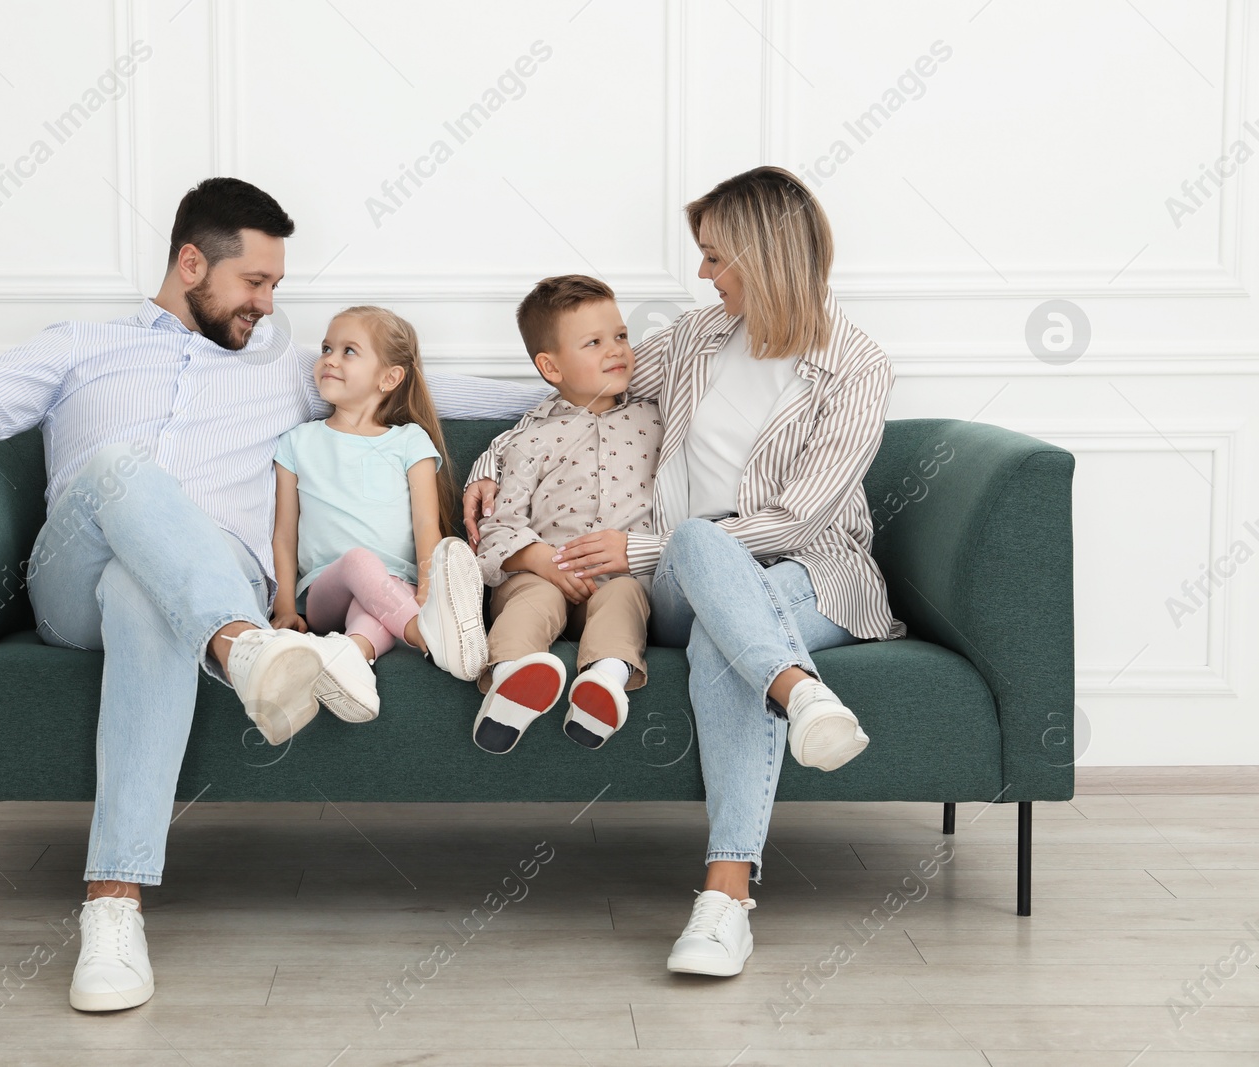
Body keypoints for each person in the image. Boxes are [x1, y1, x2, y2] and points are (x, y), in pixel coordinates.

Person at [0, 177, 548, 1012]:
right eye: (254, 282)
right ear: (191, 262)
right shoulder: (81, 345)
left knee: (145, 596)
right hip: (71, 588)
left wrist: (569, 401)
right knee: (121, 471)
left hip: (202, 581)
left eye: (276, 285)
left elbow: (426, 391)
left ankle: (112, 908)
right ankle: (247, 649)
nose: (269, 306)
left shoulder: (287, 370)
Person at [464, 166, 904, 978]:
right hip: (681, 577)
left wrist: (641, 548)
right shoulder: (698, 340)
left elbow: (801, 517)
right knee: (701, 545)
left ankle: (724, 899)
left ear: (765, 256)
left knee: (715, 618)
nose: (702, 275)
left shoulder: (856, 367)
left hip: (808, 575)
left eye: (714, 257)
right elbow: (574, 396)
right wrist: (485, 458)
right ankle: (801, 695)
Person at [470, 275, 663, 754]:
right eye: (593, 342)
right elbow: (498, 526)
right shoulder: (528, 439)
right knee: (533, 600)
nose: (616, 350)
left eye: (620, 336)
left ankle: (605, 681)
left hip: (618, 575)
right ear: (550, 366)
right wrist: (536, 559)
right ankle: (512, 678)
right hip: (539, 573)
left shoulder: (658, 422)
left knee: (625, 597)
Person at [271, 305, 488, 724]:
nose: (329, 359)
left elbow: (427, 523)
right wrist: (284, 606)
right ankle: (428, 635)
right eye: (326, 348)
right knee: (357, 560)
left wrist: (426, 585)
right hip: (324, 592)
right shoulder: (297, 442)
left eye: (349, 350)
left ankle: (351, 655)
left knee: (371, 613)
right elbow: (284, 534)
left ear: (389, 378)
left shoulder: (410, 441)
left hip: (399, 588)